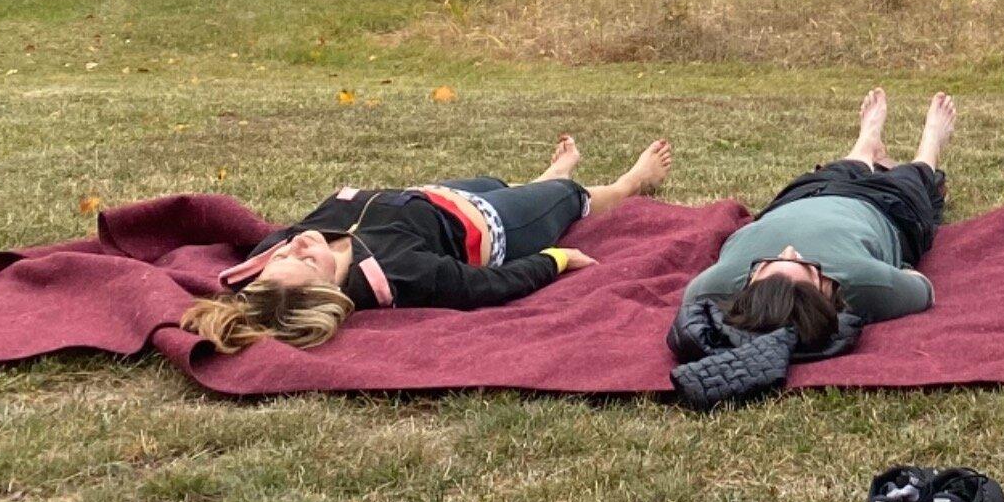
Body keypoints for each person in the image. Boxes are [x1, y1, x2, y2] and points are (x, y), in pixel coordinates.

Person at [180, 134, 670, 351]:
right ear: (330, 290)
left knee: (496, 182)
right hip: (492, 228)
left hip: (433, 199)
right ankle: (630, 182)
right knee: (566, 197)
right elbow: (488, 286)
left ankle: (542, 180)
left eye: (281, 256)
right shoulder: (400, 273)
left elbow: (246, 283)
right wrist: (555, 258)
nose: (295, 245)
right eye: (305, 261)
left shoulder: (278, 258)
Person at [681, 88, 957, 352]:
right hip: (886, 207)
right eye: (809, 267)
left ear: (750, 283)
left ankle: (867, 143)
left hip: (801, 198)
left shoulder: (716, 288)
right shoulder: (864, 284)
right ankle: (931, 143)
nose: (789, 250)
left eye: (765, 263)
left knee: (844, 166)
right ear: (827, 295)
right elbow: (923, 290)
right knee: (917, 177)